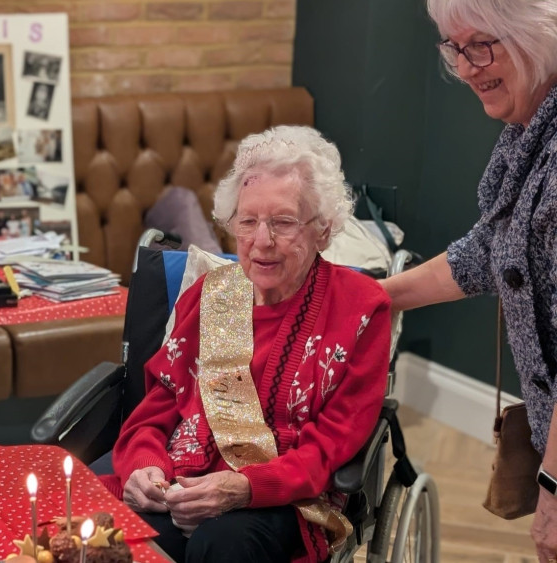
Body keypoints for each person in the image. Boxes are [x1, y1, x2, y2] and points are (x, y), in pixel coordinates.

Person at [102, 125, 391, 563]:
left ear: (323, 229)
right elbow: (158, 405)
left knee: (222, 544)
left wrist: (245, 488)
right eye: (248, 221)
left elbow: (331, 445)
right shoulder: (210, 295)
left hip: (288, 498)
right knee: (127, 536)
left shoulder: (361, 308)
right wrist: (145, 465)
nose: (261, 242)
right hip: (184, 483)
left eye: (283, 222)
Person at [380, 2, 557, 559]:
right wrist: (377, 296)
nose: (466, 68)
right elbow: (491, 250)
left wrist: (553, 489)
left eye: (482, 44)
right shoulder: (529, 131)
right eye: (455, 49)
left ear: (537, 36)